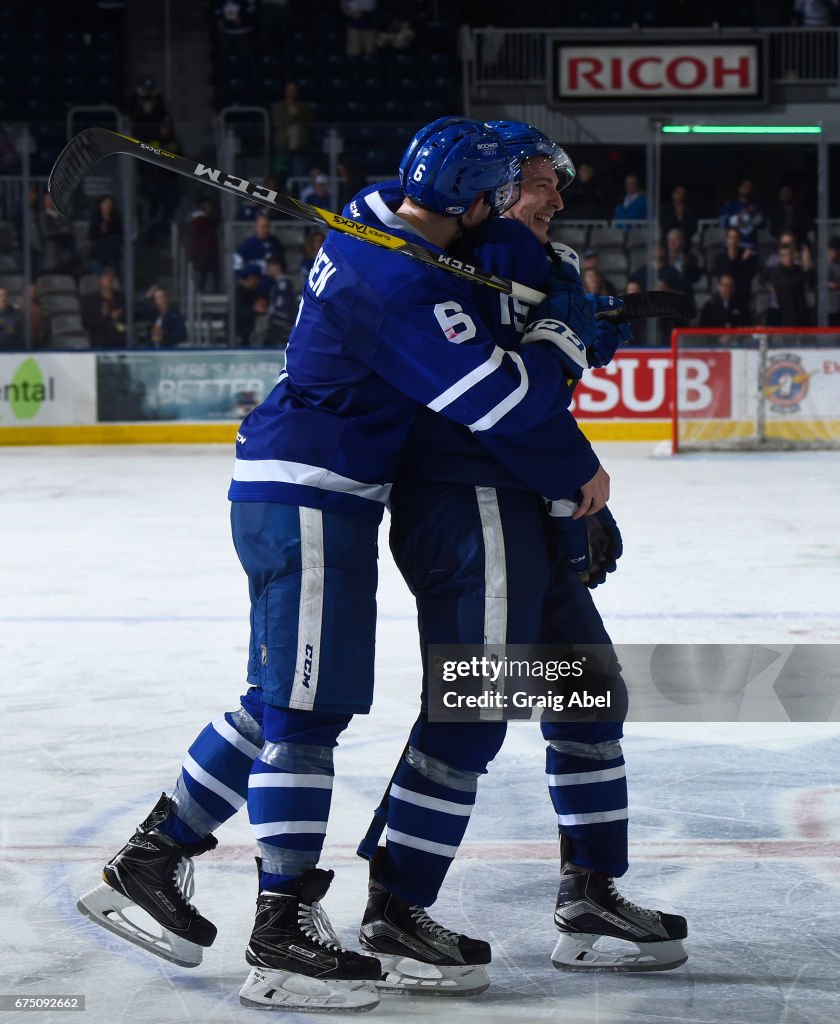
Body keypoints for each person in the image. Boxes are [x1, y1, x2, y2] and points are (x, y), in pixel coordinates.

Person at [75, 117, 603, 1013]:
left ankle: (152, 858)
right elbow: (504, 401)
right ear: (474, 204)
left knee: (277, 699)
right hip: (314, 492)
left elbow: (410, 235)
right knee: (308, 711)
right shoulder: (397, 281)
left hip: (307, 489)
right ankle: (280, 931)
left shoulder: (372, 217)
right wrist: (560, 331)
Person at [377, 119, 686, 978]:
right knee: (473, 705)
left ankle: (590, 892)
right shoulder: (492, 249)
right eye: (544, 178)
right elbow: (509, 403)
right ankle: (396, 908)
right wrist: (576, 476)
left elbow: (540, 359)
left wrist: (593, 321)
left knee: (590, 693)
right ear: (496, 186)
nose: (559, 194)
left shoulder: (518, 255)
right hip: (472, 502)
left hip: (523, 506)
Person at [233, 212, 286, 345]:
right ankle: (242, 340)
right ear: (256, 227)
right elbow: (237, 263)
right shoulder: (248, 244)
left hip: (271, 288)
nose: (265, 229)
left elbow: (282, 264)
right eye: (262, 226)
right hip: (252, 290)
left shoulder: (275, 243)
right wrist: (243, 280)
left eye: (267, 226)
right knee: (242, 307)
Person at [711, 226, 757, 313]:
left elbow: (751, 274)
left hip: (742, 296)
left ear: (739, 240)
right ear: (726, 239)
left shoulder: (747, 257)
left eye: (736, 237)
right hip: (725, 296)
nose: (733, 240)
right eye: (731, 237)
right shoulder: (720, 258)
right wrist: (742, 261)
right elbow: (726, 273)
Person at [81, 268, 125, 347]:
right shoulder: (90, 299)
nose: (108, 279)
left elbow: (127, 321)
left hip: (120, 341)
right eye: (105, 276)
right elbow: (87, 323)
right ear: (99, 280)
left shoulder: (121, 297)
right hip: (99, 342)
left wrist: (118, 317)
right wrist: (106, 317)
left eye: (111, 277)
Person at [719, 179, 767, 251]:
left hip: (749, 246)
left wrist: (753, 215)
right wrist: (737, 218)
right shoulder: (730, 205)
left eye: (749, 186)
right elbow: (723, 222)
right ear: (739, 188)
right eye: (744, 186)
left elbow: (763, 224)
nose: (747, 188)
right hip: (731, 246)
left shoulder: (757, 206)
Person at [88, 195, 122, 275]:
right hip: (97, 255)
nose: (107, 206)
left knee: (111, 277)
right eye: (105, 203)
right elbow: (91, 236)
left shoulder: (116, 219)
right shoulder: (95, 219)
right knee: (96, 277)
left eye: (109, 203)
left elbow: (119, 236)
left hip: (112, 254)